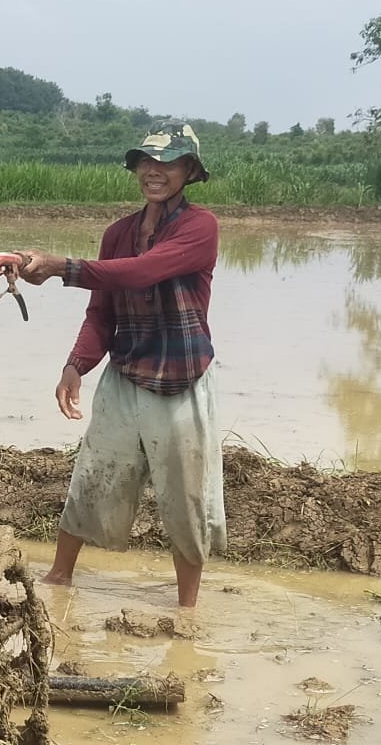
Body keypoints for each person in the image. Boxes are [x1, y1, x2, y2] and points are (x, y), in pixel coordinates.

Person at [14, 125, 224, 608]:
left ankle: (187, 607)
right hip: (127, 374)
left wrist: (63, 267)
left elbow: (144, 271)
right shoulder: (118, 234)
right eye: (145, 163)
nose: (154, 172)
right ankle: (59, 578)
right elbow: (102, 311)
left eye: (168, 163)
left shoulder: (200, 227)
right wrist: (77, 365)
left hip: (181, 380)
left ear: (189, 171)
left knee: (184, 495)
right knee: (93, 474)